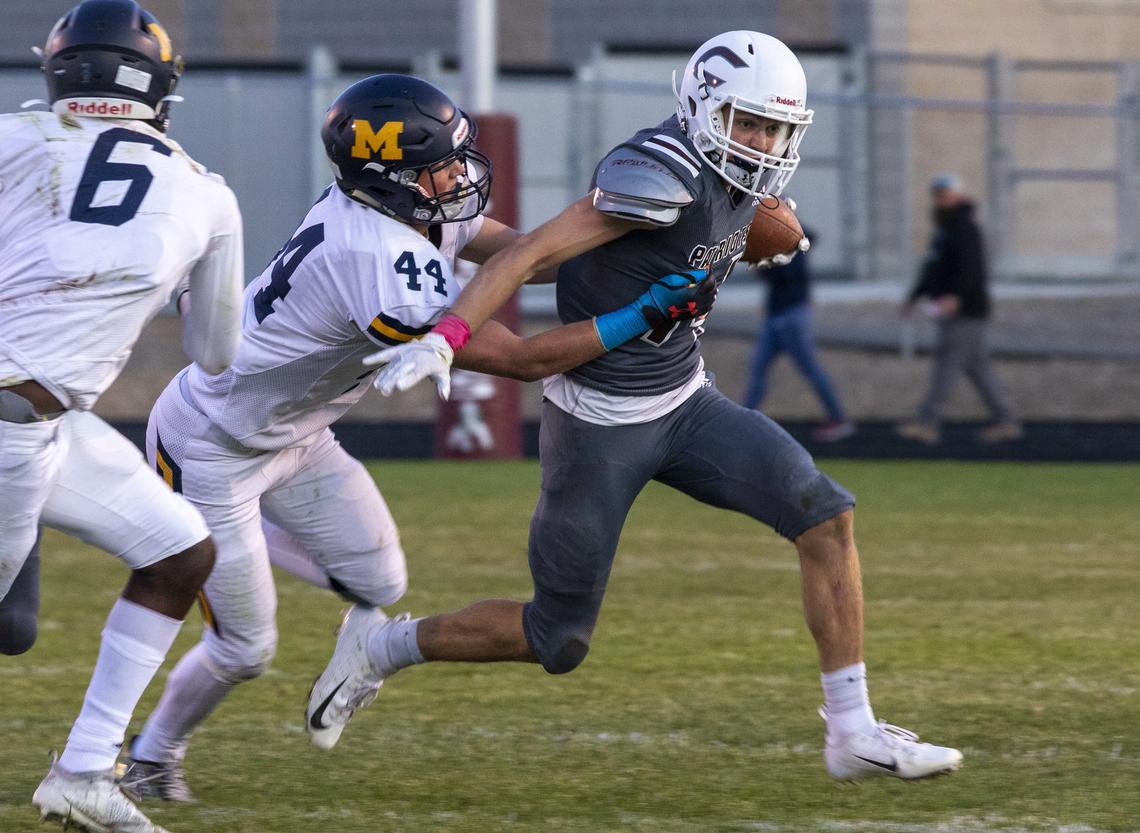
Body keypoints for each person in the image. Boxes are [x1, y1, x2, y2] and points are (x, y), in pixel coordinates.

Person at [313, 30, 963, 782]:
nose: (759, 143)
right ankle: (381, 646)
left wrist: (751, 235)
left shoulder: (739, 175)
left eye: (773, 129)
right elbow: (528, 255)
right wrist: (449, 334)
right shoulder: (654, 174)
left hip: (687, 404)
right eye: (745, 124)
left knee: (824, 512)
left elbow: (724, 229)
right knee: (556, 639)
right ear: (701, 108)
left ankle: (852, 733)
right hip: (599, 425)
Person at [120, 73, 714, 801]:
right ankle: (152, 754)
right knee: (246, 646)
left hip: (299, 437)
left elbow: (529, 256)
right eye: (439, 165)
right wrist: (641, 315)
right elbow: (522, 360)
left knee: (382, 584)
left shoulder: (406, 206)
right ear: (387, 179)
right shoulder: (374, 257)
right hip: (211, 448)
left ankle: (225, 546)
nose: (459, 175)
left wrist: (639, 218)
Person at [0, 0, 245, 830]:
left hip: (37, 425)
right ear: (158, 88)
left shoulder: (13, 138)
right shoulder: (205, 192)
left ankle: (81, 772)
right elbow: (215, 352)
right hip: (18, 419)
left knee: (180, 551)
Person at [897, 173, 1022, 445]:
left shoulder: (965, 229)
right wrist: (914, 296)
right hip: (953, 307)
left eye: (946, 195)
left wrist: (955, 296)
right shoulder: (946, 230)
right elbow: (932, 269)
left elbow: (972, 270)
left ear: (958, 196)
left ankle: (927, 421)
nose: (941, 200)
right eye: (939, 195)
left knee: (947, 364)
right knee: (979, 368)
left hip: (964, 311)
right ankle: (1005, 419)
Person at [742, 224, 855, 442]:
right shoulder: (787, 241)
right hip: (779, 315)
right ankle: (743, 420)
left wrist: (762, 260)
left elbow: (782, 274)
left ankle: (839, 418)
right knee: (758, 369)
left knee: (809, 369)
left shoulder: (790, 244)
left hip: (790, 316)